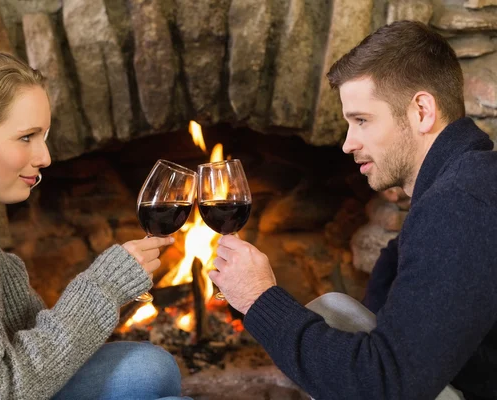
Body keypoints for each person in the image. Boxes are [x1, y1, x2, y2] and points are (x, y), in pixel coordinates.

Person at [209, 20, 497, 400]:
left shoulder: (460, 205)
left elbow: (383, 386)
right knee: (336, 309)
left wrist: (258, 299)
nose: (347, 144)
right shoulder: (463, 185)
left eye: (362, 120)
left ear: (422, 111)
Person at [0, 49, 189, 400]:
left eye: (44, 137)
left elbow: (42, 354)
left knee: (153, 367)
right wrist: (104, 287)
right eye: (26, 137)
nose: (45, 157)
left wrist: (120, 290)